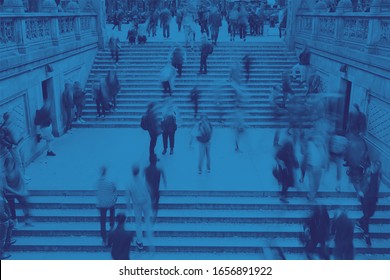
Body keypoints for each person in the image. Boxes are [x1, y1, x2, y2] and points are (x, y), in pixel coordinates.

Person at [356, 160, 389, 246]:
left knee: (371, 214)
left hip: (374, 198)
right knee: (367, 216)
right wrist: (360, 192)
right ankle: (366, 235)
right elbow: (361, 182)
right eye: (376, 165)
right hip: (366, 197)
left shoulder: (379, 174)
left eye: (379, 166)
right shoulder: (367, 172)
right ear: (373, 166)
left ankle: (360, 222)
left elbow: (377, 186)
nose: (377, 167)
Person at [127, 165, 153, 250]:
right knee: (147, 221)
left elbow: (127, 198)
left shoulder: (130, 183)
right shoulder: (143, 180)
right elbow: (149, 190)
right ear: (139, 171)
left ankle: (140, 242)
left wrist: (129, 208)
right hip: (145, 203)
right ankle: (150, 239)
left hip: (136, 205)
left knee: (138, 224)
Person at [3, 157, 32, 226]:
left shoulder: (17, 171)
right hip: (9, 191)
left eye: (10, 164)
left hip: (18, 189)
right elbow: (5, 186)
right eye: (8, 165)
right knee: (11, 203)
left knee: (24, 201)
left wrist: (23, 191)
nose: (9, 166)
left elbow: (22, 181)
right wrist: (16, 192)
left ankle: (27, 219)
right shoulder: (3, 174)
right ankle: (14, 219)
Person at [95, 166, 117, 246]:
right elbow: (114, 190)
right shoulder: (110, 182)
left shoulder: (98, 183)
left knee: (102, 223)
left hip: (101, 205)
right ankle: (111, 231)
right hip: (110, 203)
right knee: (112, 218)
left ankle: (104, 240)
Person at [145, 154, 167, 222]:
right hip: (156, 189)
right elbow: (164, 178)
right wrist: (165, 184)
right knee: (156, 202)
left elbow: (145, 180)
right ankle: (154, 214)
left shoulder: (146, 169)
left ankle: (151, 214)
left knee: (150, 201)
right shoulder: (159, 169)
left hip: (149, 189)